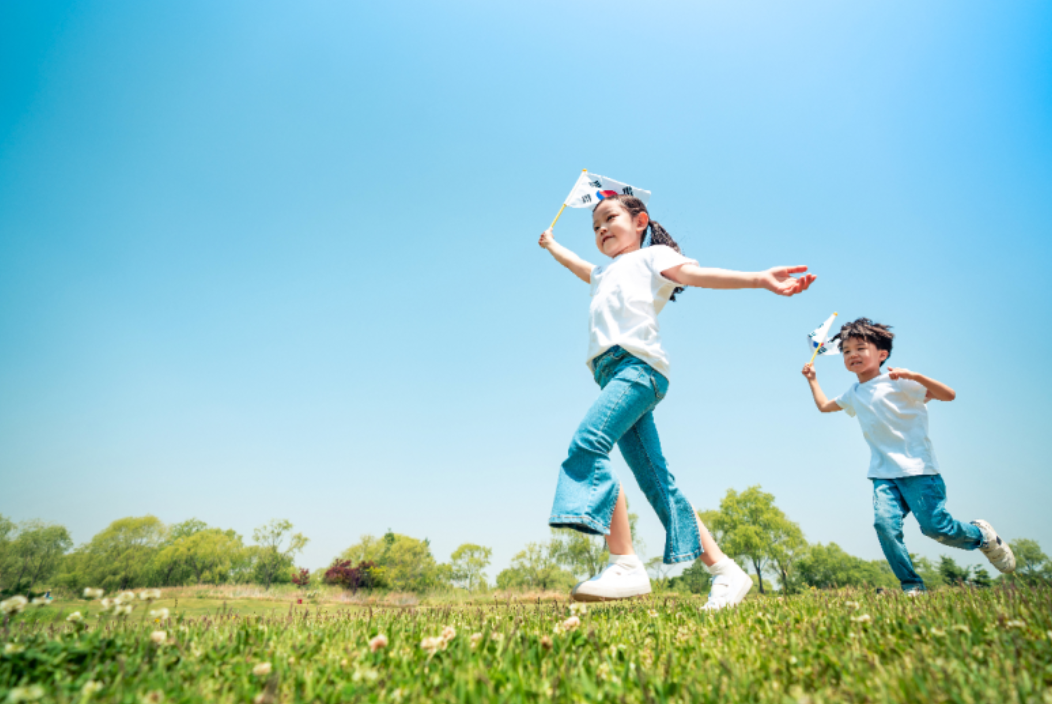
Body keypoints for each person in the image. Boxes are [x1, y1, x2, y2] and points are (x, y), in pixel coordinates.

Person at [539, 193, 815, 607]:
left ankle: (625, 564)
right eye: (594, 226)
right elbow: (581, 267)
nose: (600, 229)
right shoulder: (603, 273)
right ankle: (725, 570)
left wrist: (759, 278)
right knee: (657, 481)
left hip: (637, 370)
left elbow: (699, 275)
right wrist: (552, 245)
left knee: (588, 444)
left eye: (609, 218)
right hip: (611, 375)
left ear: (639, 222)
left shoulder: (654, 257)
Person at [801, 317, 1015, 593]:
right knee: (884, 526)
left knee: (936, 528)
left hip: (919, 471)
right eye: (846, 351)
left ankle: (981, 536)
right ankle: (912, 586)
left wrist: (914, 376)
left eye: (860, 348)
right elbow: (824, 406)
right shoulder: (854, 392)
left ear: (882, 354)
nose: (852, 354)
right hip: (883, 474)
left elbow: (948, 395)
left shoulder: (899, 382)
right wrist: (813, 380)